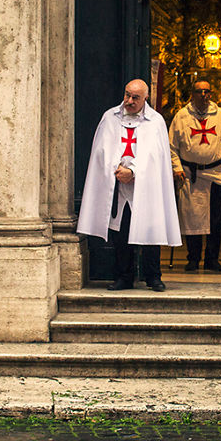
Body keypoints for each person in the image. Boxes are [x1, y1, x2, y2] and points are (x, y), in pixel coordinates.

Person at [77, 79, 181, 291]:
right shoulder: (110, 117)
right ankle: (124, 277)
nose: (129, 101)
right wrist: (117, 169)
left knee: (151, 229)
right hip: (118, 186)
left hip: (147, 186)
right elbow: (101, 150)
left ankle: (153, 276)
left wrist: (134, 170)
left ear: (145, 98)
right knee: (121, 233)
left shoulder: (155, 121)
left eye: (135, 97)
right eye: (127, 95)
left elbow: (156, 154)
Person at [169, 80, 221, 272]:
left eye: (207, 91)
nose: (204, 95)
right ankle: (193, 259)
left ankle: (212, 259)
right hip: (191, 175)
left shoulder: (220, 115)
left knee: (215, 220)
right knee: (192, 219)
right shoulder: (181, 116)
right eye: (199, 92)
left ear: (211, 94)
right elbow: (171, 146)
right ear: (192, 94)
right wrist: (177, 168)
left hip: (216, 174)